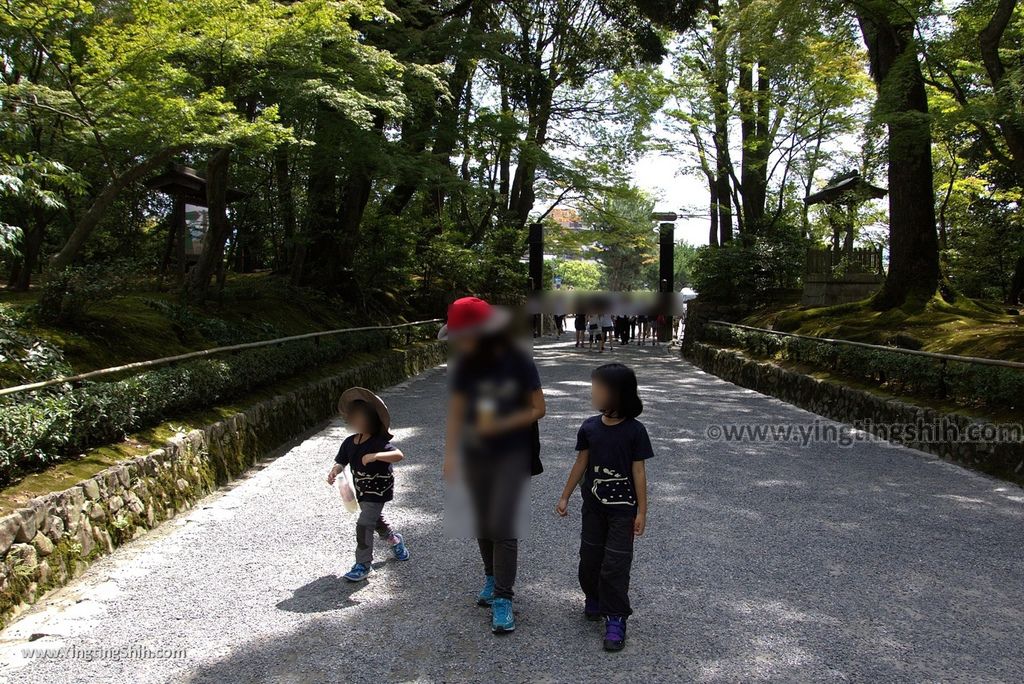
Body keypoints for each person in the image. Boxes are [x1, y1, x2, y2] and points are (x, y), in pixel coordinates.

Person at [441, 297, 546, 634]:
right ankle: (490, 577)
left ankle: (504, 597)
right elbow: (458, 409)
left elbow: (538, 407)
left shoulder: (518, 360)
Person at [556, 363, 653, 652]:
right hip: (593, 510)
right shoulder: (589, 427)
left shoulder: (635, 432)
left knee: (615, 566)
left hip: (623, 512)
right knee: (589, 561)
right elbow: (581, 463)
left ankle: (616, 617)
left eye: (598, 388)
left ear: (616, 394)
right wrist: (565, 496)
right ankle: (594, 597)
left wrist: (642, 511)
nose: (592, 392)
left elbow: (639, 473)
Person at [327, 387, 410, 582]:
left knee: (364, 524)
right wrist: (335, 471)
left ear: (371, 419)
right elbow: (341, 461)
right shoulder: (349, 443)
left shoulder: (378, 442)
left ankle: (363, 564)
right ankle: (394, 540)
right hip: (362, 491)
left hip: (379, 491)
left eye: (360, 417)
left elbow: (398, 455)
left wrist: (376, 456)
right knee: (375, 520)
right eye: (353, 417)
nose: (355, 421)